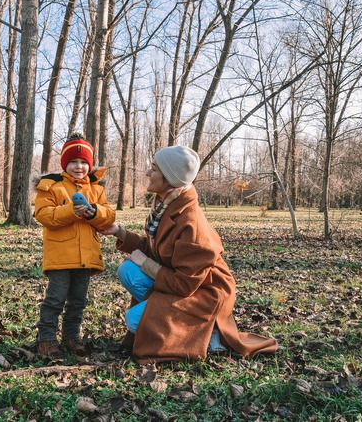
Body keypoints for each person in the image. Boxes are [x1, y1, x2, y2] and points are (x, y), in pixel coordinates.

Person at [100, 145, 278, 363]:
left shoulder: (191, 223)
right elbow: (158, 251)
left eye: (154, 169)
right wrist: (119, 232)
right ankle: (162, 313)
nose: (147, 173)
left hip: (206, 293)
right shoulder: (166, 205)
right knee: (127, 269)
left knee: (135, 321)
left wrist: (145, 263)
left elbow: (184, 285)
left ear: (170, 179)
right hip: (179, 285)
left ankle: (209, 333)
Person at [34, 133, 115, 358]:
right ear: (64, 164)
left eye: (83, 162)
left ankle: (71, 337)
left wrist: (94, 212)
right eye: (73, 162)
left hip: (86, 256)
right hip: (60, 255)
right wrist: (71, 210)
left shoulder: (96, 189)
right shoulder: (51, 186)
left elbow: (109, 216)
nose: (78, 167)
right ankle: (46, 339)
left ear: (89, 165)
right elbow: (44, 215)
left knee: (78, 300)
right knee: (55, 299)